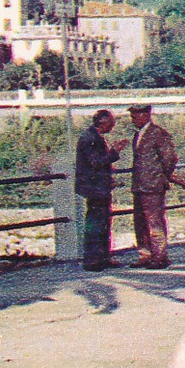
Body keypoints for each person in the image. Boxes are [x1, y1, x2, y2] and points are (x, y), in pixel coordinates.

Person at [128, 104, 185, 268]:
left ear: (145, 115)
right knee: (140, 222)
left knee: (154, 222)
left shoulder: (157, 133)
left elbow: (169, 158)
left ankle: (159, 256)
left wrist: (162, 175)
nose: (132, 120)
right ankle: (145, 255)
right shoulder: (138, 135)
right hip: (140, 185)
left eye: (135, 116)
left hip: (153, 185)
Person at [75, 109, 123, 270]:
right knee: (96, 223)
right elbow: (96, 162)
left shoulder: (91, 137)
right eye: (111, 122)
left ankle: (101, 257)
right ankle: (93, 259)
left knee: (101, 222)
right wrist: (114, 153)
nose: (113, 125)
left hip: (98, 186)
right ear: (103, 122)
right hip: (95, 188)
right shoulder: (90, 139)